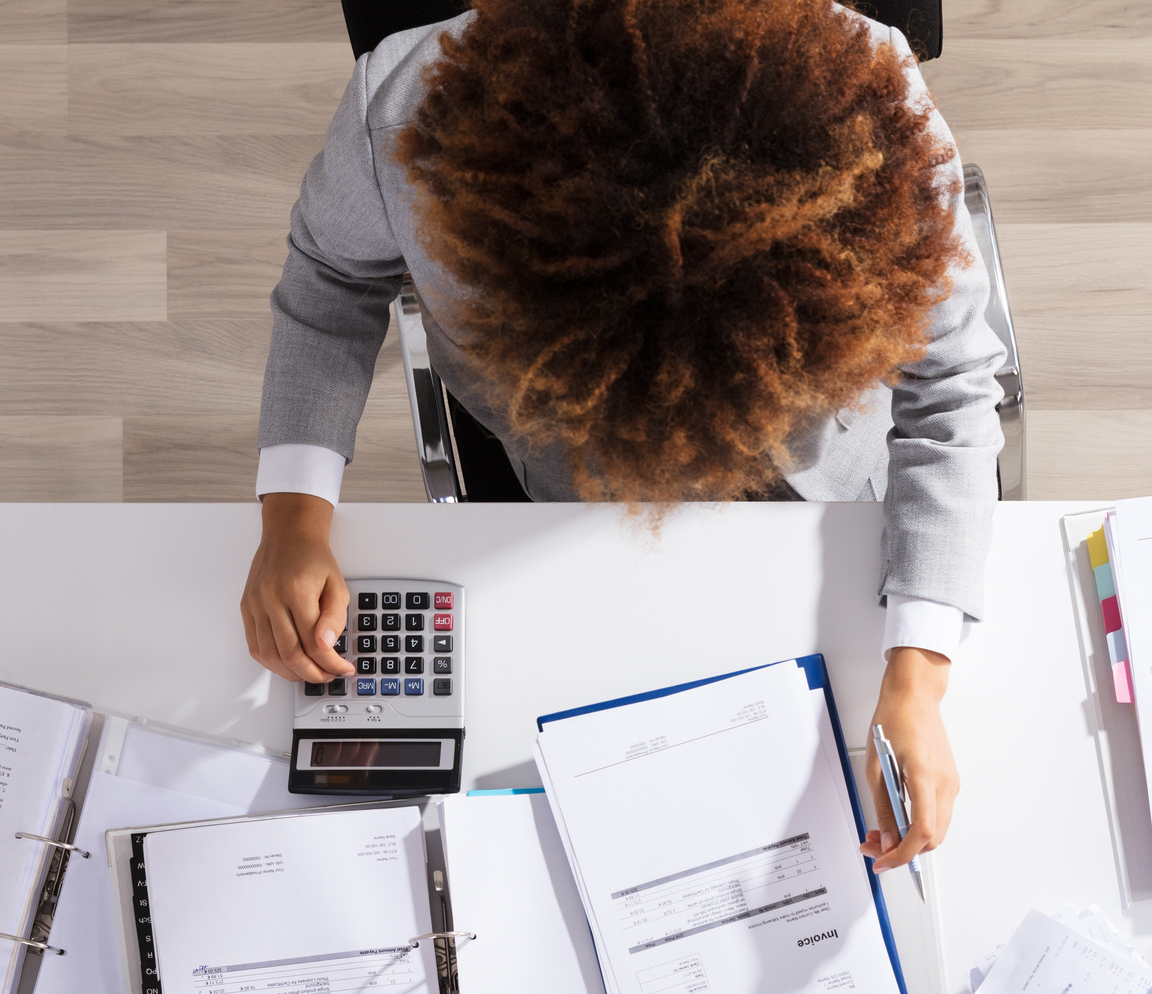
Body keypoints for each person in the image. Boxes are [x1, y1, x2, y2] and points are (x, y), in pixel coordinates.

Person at [241, 0, 1003, 873]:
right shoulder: (401, 118)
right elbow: (330, 278)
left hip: (823, 482)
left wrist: (918, 671)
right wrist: (293, 515)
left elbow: (951, 380)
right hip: (559, 485)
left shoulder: (871, 101)